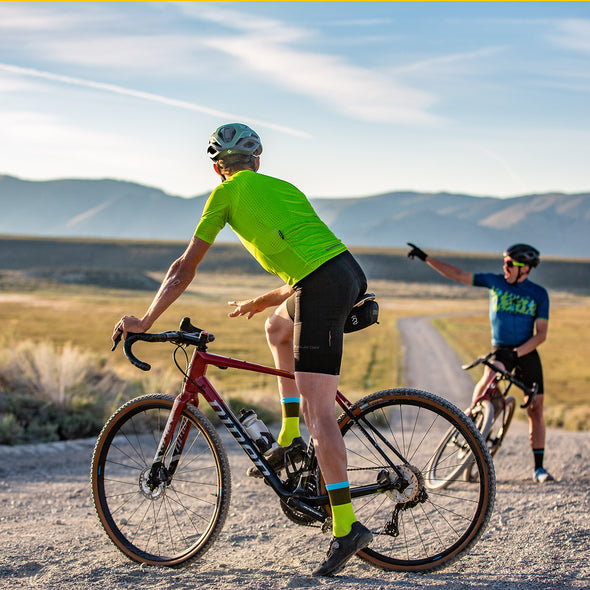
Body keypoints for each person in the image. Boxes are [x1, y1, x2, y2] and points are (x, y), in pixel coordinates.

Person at [112, 123, 373, 576]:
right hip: (340, 274)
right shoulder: (282, 186)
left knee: (321, 413)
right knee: (276, 328)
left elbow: (183, 268)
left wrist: (146, 320)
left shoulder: (224, 196)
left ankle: (346, 527)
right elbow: (309, 261)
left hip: (323, 286)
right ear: (256, 162)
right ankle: (289, 437)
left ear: (218, 168)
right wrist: (264, 300)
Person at [407, 242, 554, 484]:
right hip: (501, 349)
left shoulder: (539, 294)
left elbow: (541, 335)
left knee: (535, 408)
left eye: (509, 263)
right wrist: (426, 258)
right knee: (486, 385)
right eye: (504, 262)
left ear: (524, 268)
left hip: (525, 351)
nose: (504, 267)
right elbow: (458, 274)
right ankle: (472, 421)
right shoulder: (495, 282)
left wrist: (517, 354)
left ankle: (539, 468)